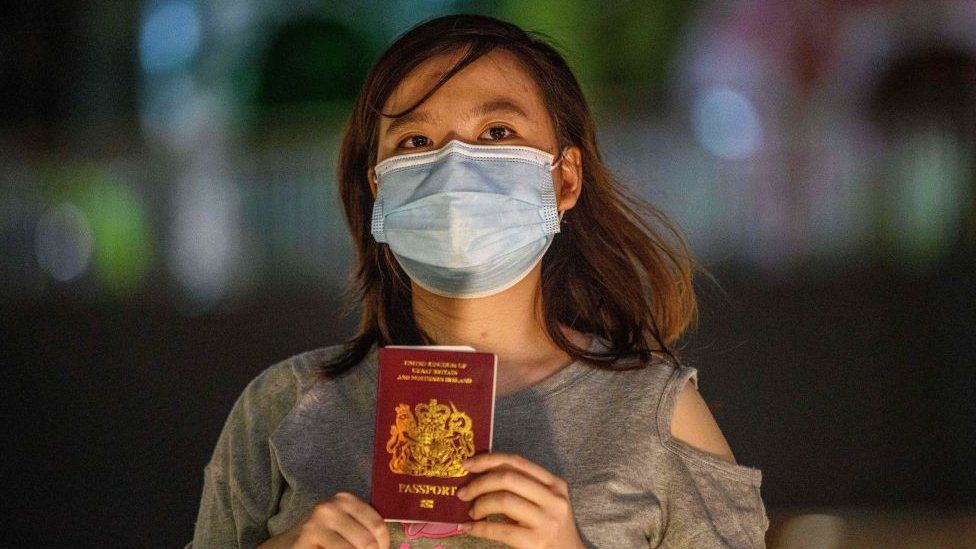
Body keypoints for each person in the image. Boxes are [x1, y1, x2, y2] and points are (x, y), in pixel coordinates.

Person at [188, 13, 769, 549]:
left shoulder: (658, 414)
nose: (455, 164)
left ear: (564, 179)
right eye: (416, 142)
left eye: (496, 132)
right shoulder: (283, 405)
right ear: (379, 190)